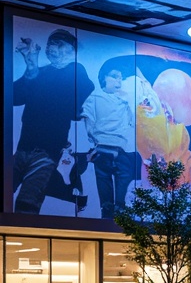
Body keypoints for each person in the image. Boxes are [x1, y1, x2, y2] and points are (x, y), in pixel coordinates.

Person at [12, 29, 94, 214]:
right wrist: (31, 65)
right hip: (23, 148)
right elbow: (15, 97)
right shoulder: (39, 72)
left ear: (72, 50)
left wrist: (33, 70)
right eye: (50, 43)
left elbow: (74, 98)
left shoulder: (76, 71)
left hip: (47, 153)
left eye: (59, 44)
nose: (52, 48)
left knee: (27, 204)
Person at [80, 60, 138, 219]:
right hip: (103, 148)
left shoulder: (125, 101)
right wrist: (95, 141)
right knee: (104, 183)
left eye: (121, 78)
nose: (118, 81)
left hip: (122, 150)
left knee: (123, 180)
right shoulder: (95, 97)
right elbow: (88, 120)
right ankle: (107, 214)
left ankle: (118, 209)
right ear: (103, 77)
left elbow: (132, 123)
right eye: (114, 76)